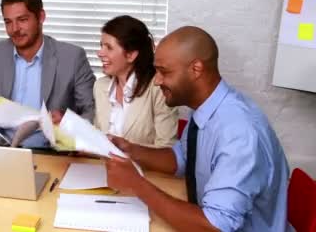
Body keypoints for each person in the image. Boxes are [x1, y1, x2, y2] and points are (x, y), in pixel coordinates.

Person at [105, 26, 289, 231]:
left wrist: (137, 184)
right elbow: (181, 159)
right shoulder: (207, 109)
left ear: (196, 69)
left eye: (164, 72)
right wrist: (132, 151)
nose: (157, 81)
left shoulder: (239, 133)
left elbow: (215, 226)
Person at [0, 0, 95, 148]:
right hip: (2, 149)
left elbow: (91, 111)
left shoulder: (72, 57)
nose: (14, 29)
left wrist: (67, 122)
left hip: (51, 151)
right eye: (8, 22)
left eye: (22, 20)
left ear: (41, 17)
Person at [94, 15, 177, 147]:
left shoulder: (159, 89)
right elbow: (96, 139)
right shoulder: (100, 86)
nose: (99, 53)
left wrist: (129, 152)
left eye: (108, 47)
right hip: (103, 166)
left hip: (142, 168)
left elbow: (166, 149)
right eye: (101, 46)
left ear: (131, 55)